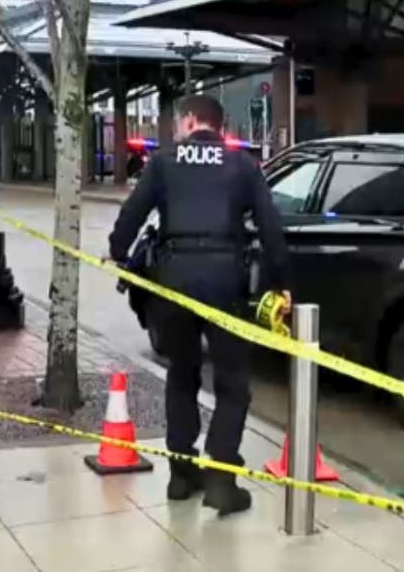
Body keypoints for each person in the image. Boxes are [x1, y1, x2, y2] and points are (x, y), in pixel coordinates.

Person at [107, 94, 291, 517]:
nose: (176, 128)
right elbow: (271, 227)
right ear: (219, 126)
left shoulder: (164, 162)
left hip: (173, 279)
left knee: (182, 373)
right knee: (232, 381)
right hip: (225, 280)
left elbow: (132, 215)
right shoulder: (242, 165)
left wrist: (118, 252)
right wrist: (282, 284)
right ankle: (222, 479)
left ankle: (180, 474)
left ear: (191, 120)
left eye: (178, 121)